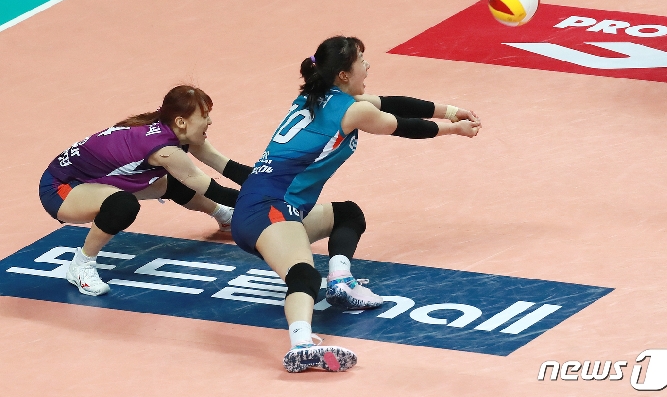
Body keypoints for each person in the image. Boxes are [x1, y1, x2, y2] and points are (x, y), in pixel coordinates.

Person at [230, 36, 481, 373]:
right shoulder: (353, 110)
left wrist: (450, 111)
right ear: (344, 74)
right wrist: (455, 129)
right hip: (269, 209)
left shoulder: (319, 96)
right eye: (361, 60)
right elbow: (401, 125)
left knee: (347, 214)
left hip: (267, 207)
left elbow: (391, 102)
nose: (367, 66)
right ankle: (301, 346)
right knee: (304, 274)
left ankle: (341, 282)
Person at [39, 85, 252, 297]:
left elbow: (227, 166)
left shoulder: (175, 130)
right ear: (181, 121)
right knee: (122, 206)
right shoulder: (164, 150)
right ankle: (81, 265)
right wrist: (262, 204)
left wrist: (267, 181)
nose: (210, 121)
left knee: (174, 183)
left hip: (99, 178)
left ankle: (224, 216)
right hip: (61, 187)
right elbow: (214, 190)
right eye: (204, 116)